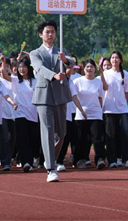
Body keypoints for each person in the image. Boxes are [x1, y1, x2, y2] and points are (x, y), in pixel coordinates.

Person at [29, 19, 74, 183]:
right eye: (47, 32)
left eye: (53, 32)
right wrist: (54, 75)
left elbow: (72, 63)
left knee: (61, 133)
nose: (50, 34)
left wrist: (65, 60)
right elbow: (39, 68)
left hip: (60, 95)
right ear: (41, 35)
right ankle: (51, 169)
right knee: (47, 131)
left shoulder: (61, 51)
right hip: (44, 96)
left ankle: (49, 159)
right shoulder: (35, 53)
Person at [103, 51, 128, 168]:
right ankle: (112, 159)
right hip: (109, 109)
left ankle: (126, 158)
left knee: (125, 133)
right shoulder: (106, 74)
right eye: (112, 58)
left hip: (122, 109)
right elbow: (103, 88)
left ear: (121, 60)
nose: (114, 60)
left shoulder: (125, 74)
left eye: (116, 58)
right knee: (111, 135)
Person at [73, 59, 106, 169]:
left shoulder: (98, 82)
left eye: (91, 67)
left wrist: (99, 110)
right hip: (81, 115)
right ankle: (80, 159)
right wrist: (81, 110)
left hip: (95, 114)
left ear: (95, 69)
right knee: (82, 139)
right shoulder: (77, 81)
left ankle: (100, 159)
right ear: (83, 69)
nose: (89, 69)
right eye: (87, 67)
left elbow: (100, 97)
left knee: (97, 138)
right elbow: (74, 97)